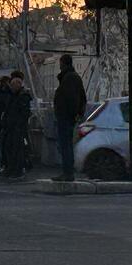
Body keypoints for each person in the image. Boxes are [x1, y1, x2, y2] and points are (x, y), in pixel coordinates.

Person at [52, 54, 87, 182]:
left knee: (65, 145)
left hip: (65, 117)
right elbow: (82, 97)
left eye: (60, 63)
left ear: (63, 63)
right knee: (66, 145)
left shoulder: (69, 78)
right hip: (68, 116)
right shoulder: (73, 77)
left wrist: (69, 113)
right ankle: (67, 172)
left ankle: (68, 172)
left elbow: (72, 99)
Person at [4, 71, 33, 179]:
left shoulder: (22, 96)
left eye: (13, 85)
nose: (11, 87)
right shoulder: (14, 96)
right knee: (10, 148)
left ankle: (17, 170)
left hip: (18, 128)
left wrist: (18, 125)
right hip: (11, 126)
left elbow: (24, 114)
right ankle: (12, 168)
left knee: (17, 150)